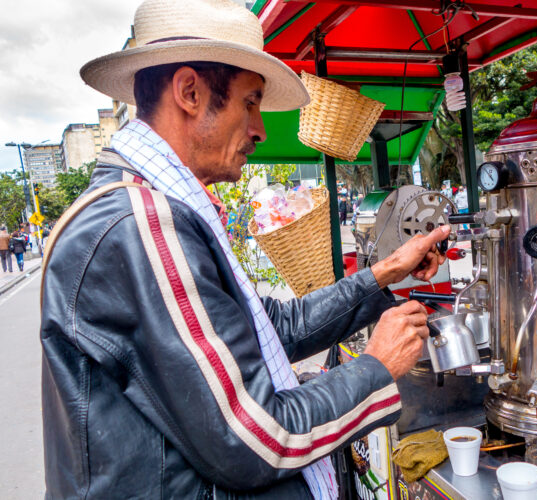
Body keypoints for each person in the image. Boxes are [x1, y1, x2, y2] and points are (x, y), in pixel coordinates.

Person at [40, 1, 450, 498]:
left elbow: (270, 327)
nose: (259, 129)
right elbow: (255, 441)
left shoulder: (158, 207)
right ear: (189, 92)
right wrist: (375, 367)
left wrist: (383, 275)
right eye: (250, 102)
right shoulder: (140, 223)